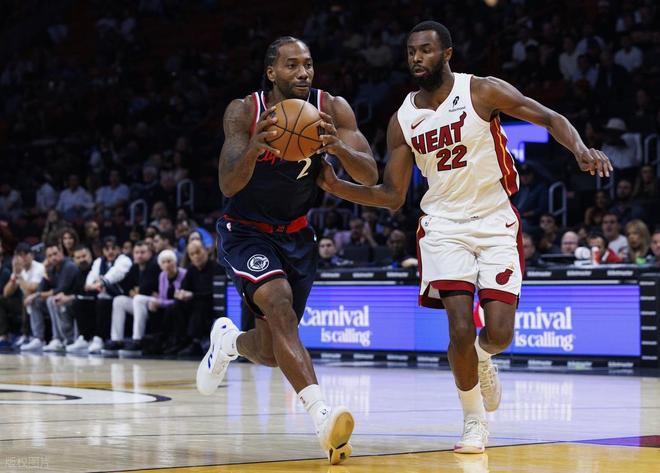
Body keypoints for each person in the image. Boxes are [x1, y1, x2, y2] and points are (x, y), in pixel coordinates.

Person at [317, 21, 612, 453]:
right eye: (411, 51)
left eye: (426, 50)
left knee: (499, 334)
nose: (417, 58)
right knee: (458, 327)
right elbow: (391, 196)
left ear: (447, 54)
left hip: (495, 219)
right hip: (443, 226)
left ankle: (484, 356)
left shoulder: (481, 91)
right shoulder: (403, 120)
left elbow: (548, 117)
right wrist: (335, 184)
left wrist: (581, 150)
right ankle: (474, 421)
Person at [196, 36, 377, 465]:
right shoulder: (245, 111)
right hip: (245, 232)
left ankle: (229, 342)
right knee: (279, 308)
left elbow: (370, 175)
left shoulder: (332, 108)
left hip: (296, 235)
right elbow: (227, 184)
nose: (303, 72)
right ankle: (322, 417)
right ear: (271, 72)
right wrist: (254, 150)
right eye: (291, 65)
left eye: (308, 64)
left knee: (270, 350)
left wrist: (337, 147)